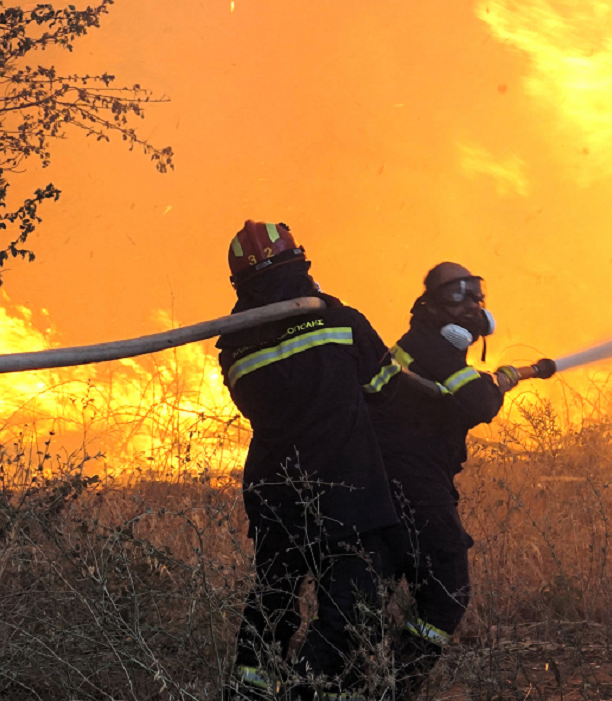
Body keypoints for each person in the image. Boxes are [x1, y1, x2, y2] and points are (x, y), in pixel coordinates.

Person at [216, 221, 400, 701]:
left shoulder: (234, 346)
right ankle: (305, 688)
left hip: (276, 491)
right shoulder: (341, 321)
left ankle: (246, 691)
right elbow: (384, 392)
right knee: (353, 607)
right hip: (346, 491)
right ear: (300, 263)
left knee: (273, 599)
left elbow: (261, 401)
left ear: (240, 284)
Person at [368, 262, 555, 697]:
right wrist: (499, 382)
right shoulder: (430, 346)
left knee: (376, 590)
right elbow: (477, 403)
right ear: (431, 304)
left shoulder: (426, 347)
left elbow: (453, 397)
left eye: (476, 294)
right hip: (413, 480)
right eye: (457, 295)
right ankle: (394, 687)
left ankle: (369, 681)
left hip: (394, 478)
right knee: (447, 587)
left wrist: (493, 380)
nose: (471, 304)